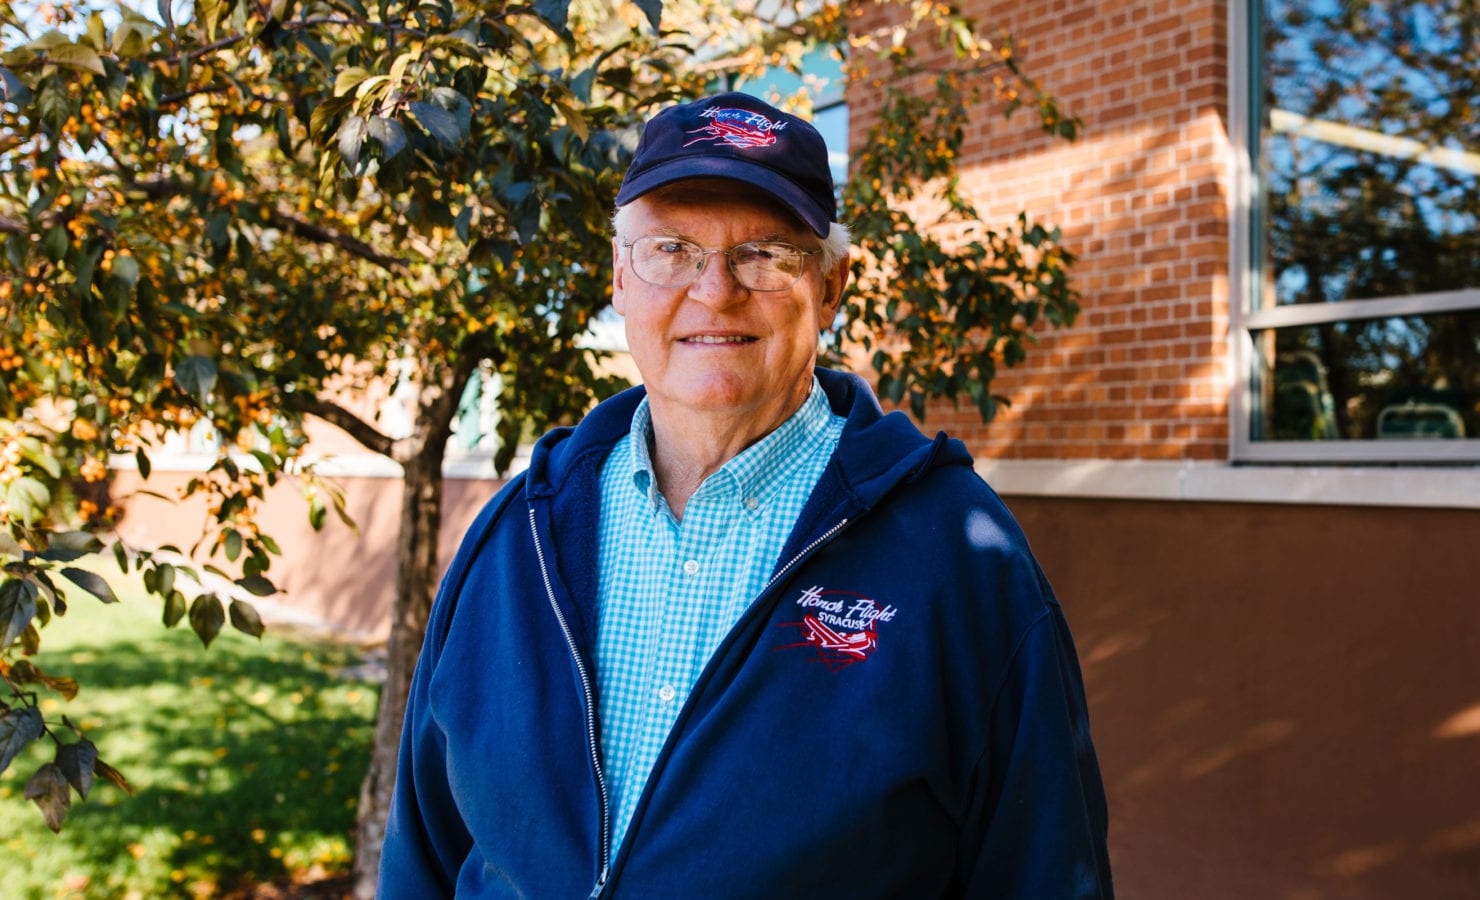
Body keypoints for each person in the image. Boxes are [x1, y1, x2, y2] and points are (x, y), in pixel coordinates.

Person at [378, 91, 1113, 899]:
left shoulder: (958, 559)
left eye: (766, 254)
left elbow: (1046, 871)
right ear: (620, 278)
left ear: (832, 288)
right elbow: (425, 852)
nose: (716, 289)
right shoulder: (517, 535)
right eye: (673, 249)